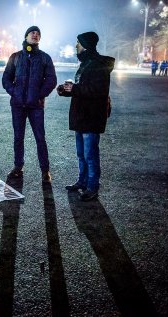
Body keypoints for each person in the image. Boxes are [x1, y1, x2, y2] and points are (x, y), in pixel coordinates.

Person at [56, 31, 115, 201]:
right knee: (81, 154)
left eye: (78, 43)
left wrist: (74, 89)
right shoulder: (86, 64)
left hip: (91, 116)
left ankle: (92, 186)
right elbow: (82, 88)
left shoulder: (98, 65)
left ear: (86, 45)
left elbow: (98, 91)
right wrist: (67, 90)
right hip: (81, 116)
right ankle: (82, 181)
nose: (76, 46)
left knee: (90, 155)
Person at [2, 26, 57, 183]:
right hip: (18, 105)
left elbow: (51, 80)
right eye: (32, 32)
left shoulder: (45, 58)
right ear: (26, 36)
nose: (35, 34)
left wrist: (39, 95)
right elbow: (6, 78)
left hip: (36, 106)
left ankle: (45, 171)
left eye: (38, 34)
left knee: (40, 137)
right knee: (18, 137)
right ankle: (18, 167)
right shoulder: (16, 57)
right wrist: (15, 92)